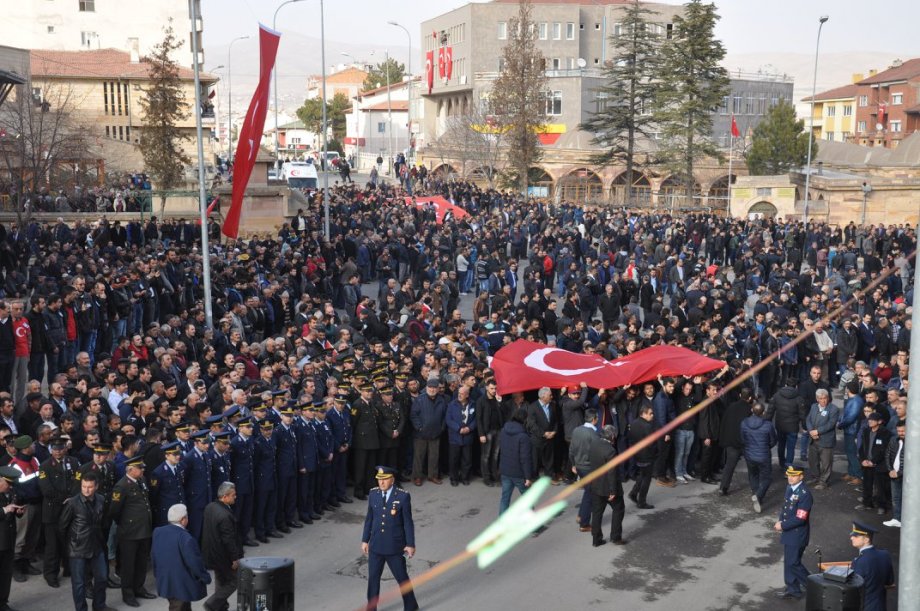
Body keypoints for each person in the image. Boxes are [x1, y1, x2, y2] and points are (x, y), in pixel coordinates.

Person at [361, 466, 419, 611]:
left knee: (402, 579)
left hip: (394, 547)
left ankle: (411, 606)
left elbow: (407, 522)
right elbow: (369, 519)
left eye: (385, 479)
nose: (381, 483)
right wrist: (365, 540)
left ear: (392, 480)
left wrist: (410, 544)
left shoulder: (402, 496)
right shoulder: (373, 494)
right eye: (379, 479)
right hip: (376, 545)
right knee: (373, 580)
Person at [59, 470, 114, 611]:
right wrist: (69, 547)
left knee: (102, 578)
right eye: (84, 486)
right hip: (78, 549)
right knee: (79, 583)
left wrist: (102, 539)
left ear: (96, 486)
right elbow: (62, 527)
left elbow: (105, 522)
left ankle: (99, 606)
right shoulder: (73, 503)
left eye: (90, 487)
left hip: (97, 546)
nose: (86, 490)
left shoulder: (101, 500)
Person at [109, 455, 155, 607]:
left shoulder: (141, 480)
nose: (143, 470)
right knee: (128, 565)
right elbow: (114, 511)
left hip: (144, 529)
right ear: (130, 470)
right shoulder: (121, 486)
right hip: (129, 532)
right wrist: (125, 524)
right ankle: (128, 594)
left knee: (141, 563)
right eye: (139, 468)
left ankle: (139, 588)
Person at [152, 503, 211, 611]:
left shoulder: (158, 532)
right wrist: (205, 577)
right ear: (183, 519)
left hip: (165, 580)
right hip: (181, 585)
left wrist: (157, 574)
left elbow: (154, 555)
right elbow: (194, 563)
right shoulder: (186, 538)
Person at [202, 481, 243, 611]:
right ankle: (212, 603)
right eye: (233, 495)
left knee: (221, 580)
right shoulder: (225, 515)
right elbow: (228, 540)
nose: (235, 497)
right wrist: (234, 558)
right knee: (235, 581)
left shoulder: (210, 507)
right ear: (225, 497)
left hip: (212, 553)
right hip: (223, 556)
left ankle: (220, 607)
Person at [773, 465, 812, 600]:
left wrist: (783, 525)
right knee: (789, 562)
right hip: (790, 532)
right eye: (789, 475)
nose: (790, 478)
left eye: (794, 475)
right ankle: (793, 589)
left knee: (793, 563)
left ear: (801, 476)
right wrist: (780, 521)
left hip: (797, 534)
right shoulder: (790, 487)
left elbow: (800, 518)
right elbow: (785, 508)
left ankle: (814, 586)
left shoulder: (804, 494)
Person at [589, 425, 625, 547]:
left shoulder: (594, 444)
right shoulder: (611, 451)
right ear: (613, 436)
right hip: (608, 488)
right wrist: (613, 491)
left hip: (595, 486)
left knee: (597, 513)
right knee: (618, 509)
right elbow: (612, 473)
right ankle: (616, 537)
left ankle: (596, 539)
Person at [848, 520, 895, 611]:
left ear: (866, 539)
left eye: (856, 536)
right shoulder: (885, 555)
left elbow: (853, 590)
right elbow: (890, 583)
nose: (851, 538)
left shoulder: (859, 562)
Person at [741, 403, 777, 513]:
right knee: (767, 478)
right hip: (763, 455)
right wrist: (766, 447)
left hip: (749, 454)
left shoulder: (744, 423)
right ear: (763, 412)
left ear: (752, 410)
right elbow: (773, 441)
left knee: (753, 474)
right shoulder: (768, 425)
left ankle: (755, 494)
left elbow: (742, 439)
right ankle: (758, 495)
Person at [410, 379, 446, 486]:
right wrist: (419, 428)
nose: (432, 389)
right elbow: (413, 415)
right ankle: (417, 477)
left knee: (434, 456)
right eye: (430, 387)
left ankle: (433, 476)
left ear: (438, 389)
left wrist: (441, 428)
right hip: (420, 435)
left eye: (434, 388)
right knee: (419, 457)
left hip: (435, 433)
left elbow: (444, 416)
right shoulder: (419, 399)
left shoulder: (441, 400)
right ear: (426, 388)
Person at [855, 412, 892, 515]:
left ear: (879, 421)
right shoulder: (866, 431)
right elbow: (862, 447)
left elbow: (884, 450)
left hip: (879, 465)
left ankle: (882, 506)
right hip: (866, 463)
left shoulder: (885, 433)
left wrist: (873, 461)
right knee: (867, 485)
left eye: (873, 420)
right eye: (869, 419)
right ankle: (867, 503)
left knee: (880, 487)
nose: (870, 421)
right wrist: (863, 460)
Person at [569, 408, 599, 532]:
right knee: (590, 494)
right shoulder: (593, 434)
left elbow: (571, 449)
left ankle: (581, 515)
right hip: (589, 468)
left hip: (579, 466)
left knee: (588, 492)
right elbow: (597, 454)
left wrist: (573, 464)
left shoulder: (576, 430)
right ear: (594, 419)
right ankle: (584, 523)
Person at [498, 407, 532, 514]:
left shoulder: (503, 430)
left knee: (505, 498)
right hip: (519, 473)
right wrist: (528, 477)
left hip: (505, 470)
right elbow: (525, 458)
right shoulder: (523, 436)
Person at [0, 466, 25, 611]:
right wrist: (4, 510)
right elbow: (5, 510)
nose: (10, 487)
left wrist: (18, 512)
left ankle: (3, 602)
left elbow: (13, 509)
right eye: (7, 484)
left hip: (8, 539)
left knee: (6, 573)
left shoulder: (10, 491)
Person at [805, 388, 840, 489]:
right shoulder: (813, 406)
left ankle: (823, 482)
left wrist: (817, 431)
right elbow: (808, 419)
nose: (823, 400)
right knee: (813, 461)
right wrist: (811, 431)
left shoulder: (834, 409)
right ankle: (815, 477)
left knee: (826, 463)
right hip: (813, 439)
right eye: (820, 398)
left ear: (828, 398)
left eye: (825, 398)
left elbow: (831, 424)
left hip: (826, 441)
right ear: (817, 399)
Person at [627, 404, 658, 509]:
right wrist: (655, 453)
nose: (652, 415)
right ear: (643, 414)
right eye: (650, 413)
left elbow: (630, 438)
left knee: (642, 475)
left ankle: (633, 493)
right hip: (647, 456)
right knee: (646, 479)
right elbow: (651, 444)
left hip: (638, 455)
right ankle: (641, 502)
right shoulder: (647, 426)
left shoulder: (634, 423)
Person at [446, 385, 476, 486]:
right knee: (454, 459)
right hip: (455, 436)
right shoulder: (451, 404)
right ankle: (454, 478)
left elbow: (476, 419)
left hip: (468, 436)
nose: (459, 395)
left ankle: (465, 477)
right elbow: (448, 419)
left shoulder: (473, 404)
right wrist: (458, 429)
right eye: (459, 393)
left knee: (467, 459)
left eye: (462, 394)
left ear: (467, 395)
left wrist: (469, 428)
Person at [526, 387, 558, 481]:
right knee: (535, 460)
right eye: (550, 395)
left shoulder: (553, 405)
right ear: (543, 396)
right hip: (538, 438)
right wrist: (543, 434)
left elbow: (555, 420)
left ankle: (549, 476)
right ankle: (534, 477)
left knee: (549, 459)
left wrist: (554, 431)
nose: (552, 397)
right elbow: (532, 424)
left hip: (550, 437)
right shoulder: (533, 407)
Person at [883, 419, 906, 528]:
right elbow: (887, 454)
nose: (900, 433)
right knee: (895, 498)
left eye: (903, 431)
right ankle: (897, 519)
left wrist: (899, 473)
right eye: (899, 431)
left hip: (906, 477)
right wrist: (890, 470)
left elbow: (913, 462)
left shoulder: (914, 443)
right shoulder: (893, 440)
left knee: (907, 499)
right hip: (893, 474)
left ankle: (906, 520)